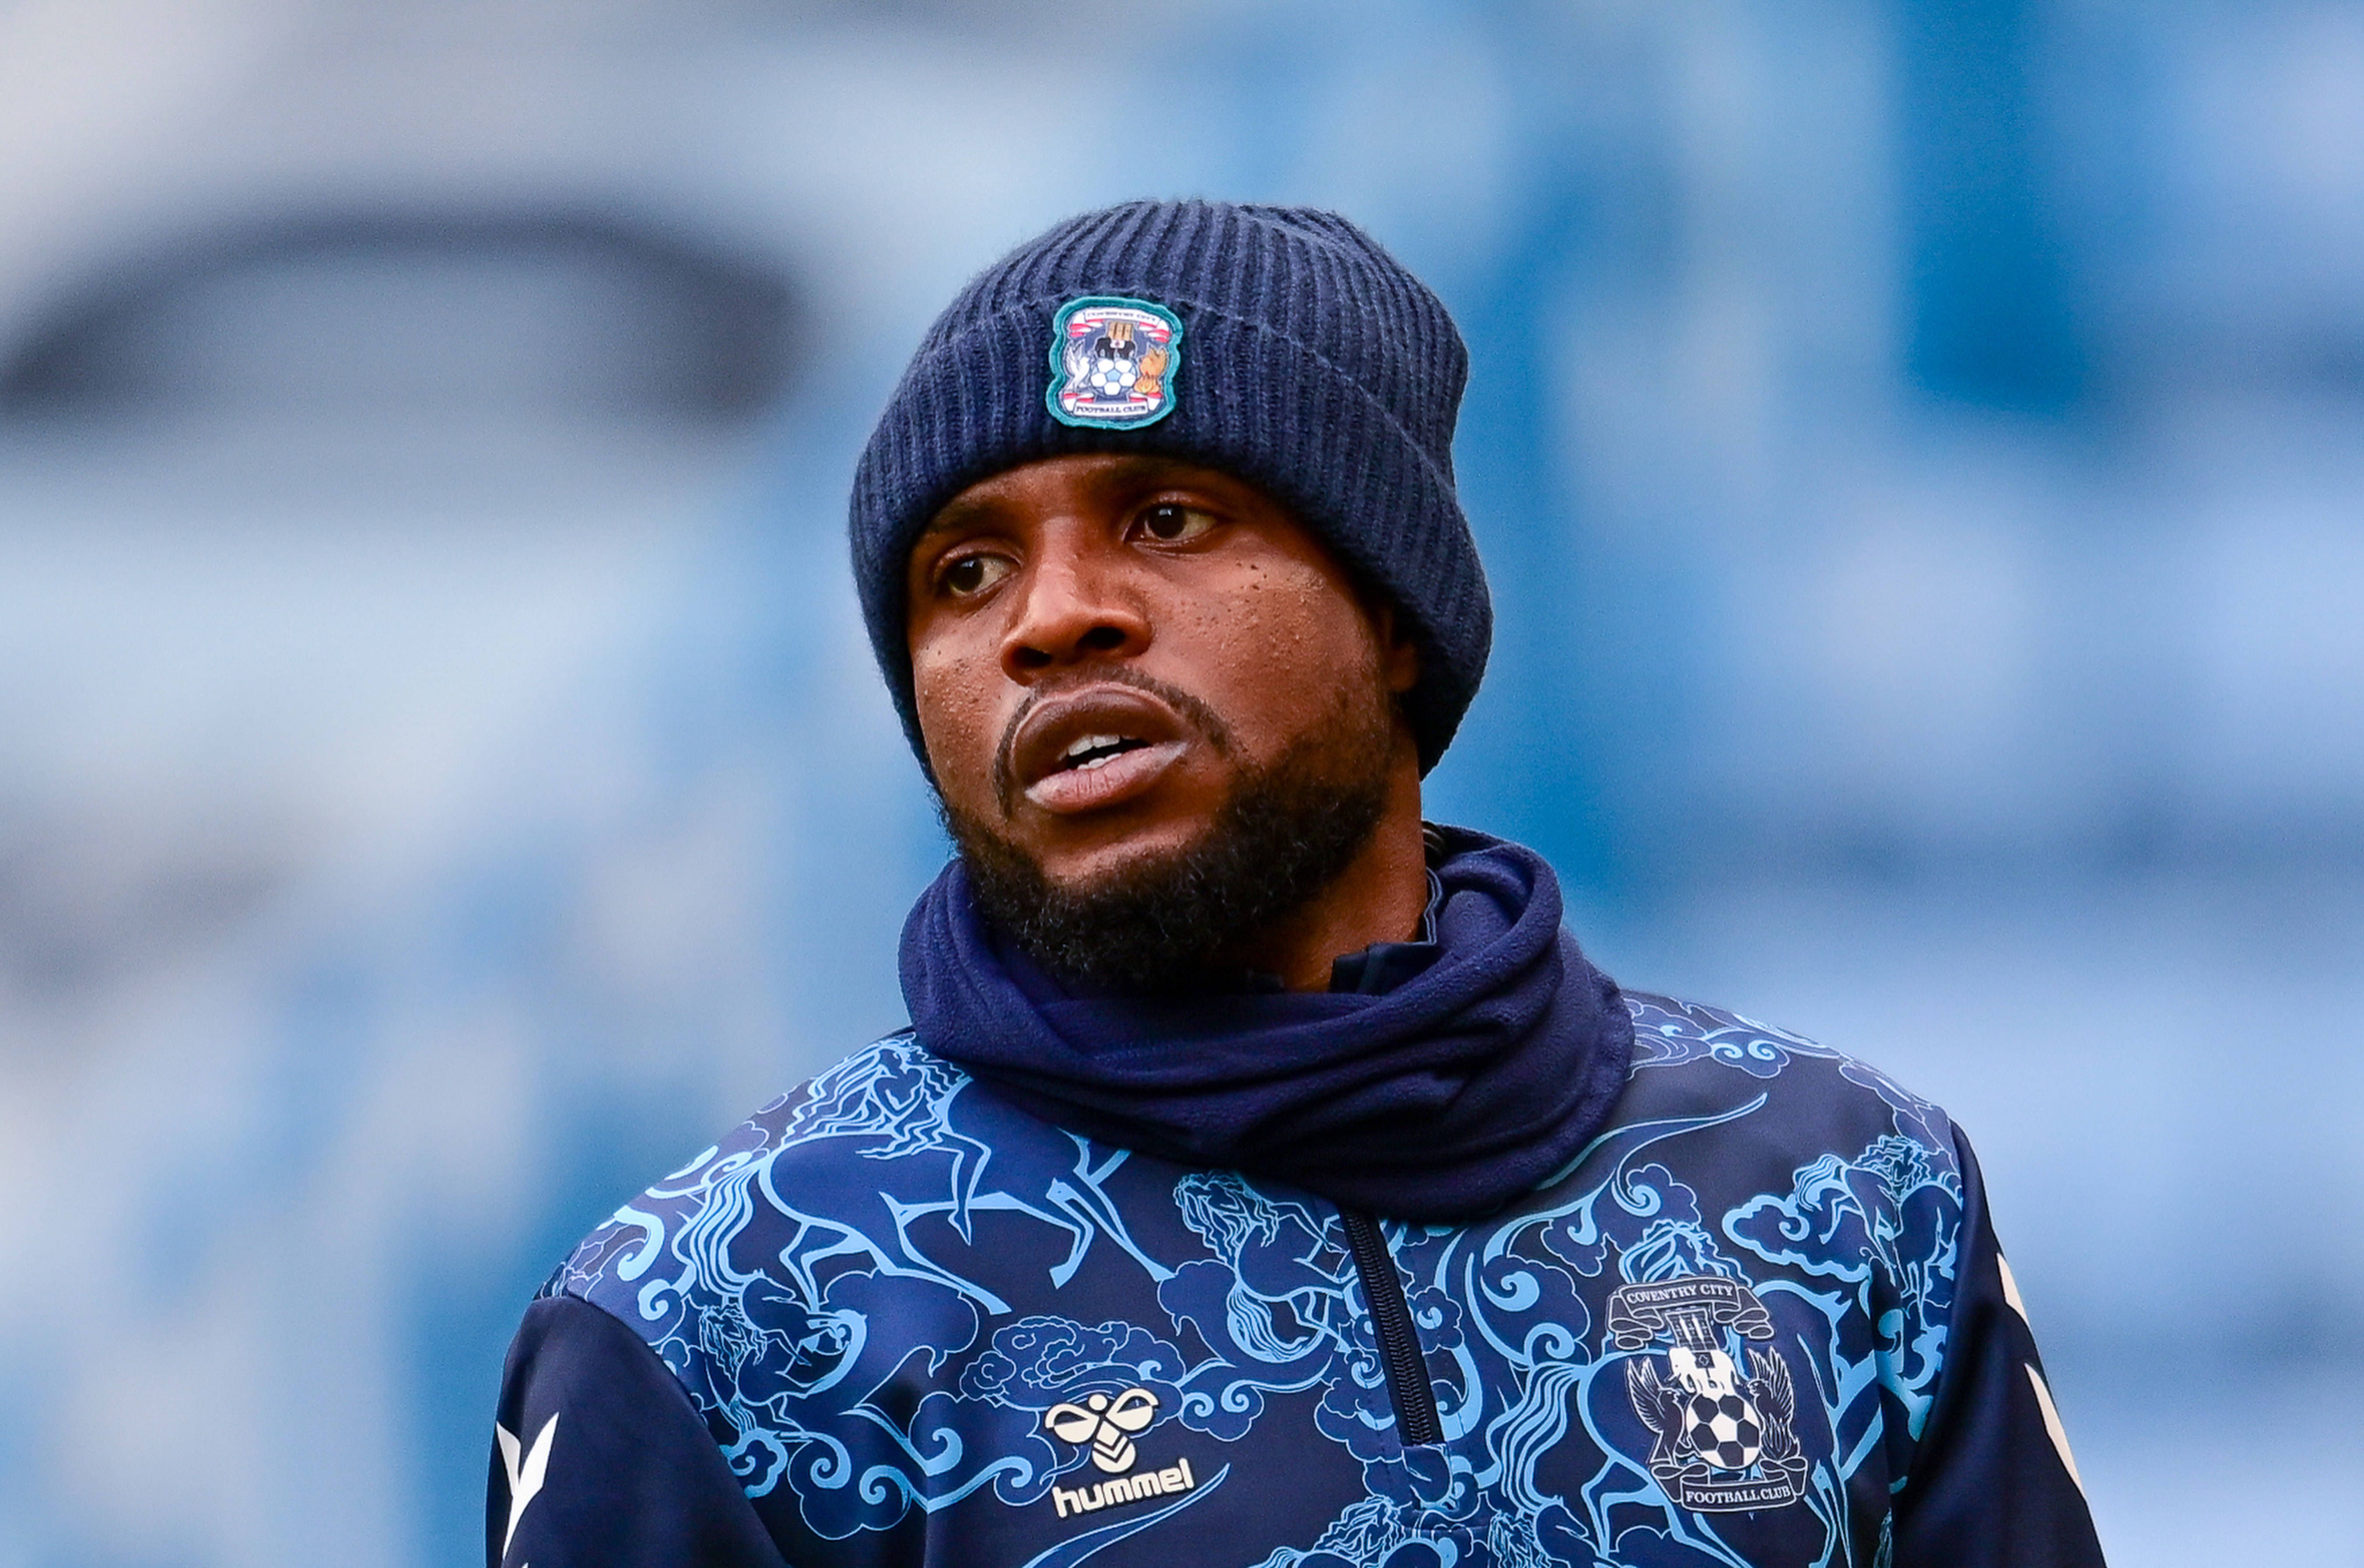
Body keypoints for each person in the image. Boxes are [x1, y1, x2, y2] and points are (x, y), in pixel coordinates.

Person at [488, 200, 2106, 1568]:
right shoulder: (724, 1314)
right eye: (963, 572)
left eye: (1170, 516)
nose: (1051, 620)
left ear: (1398, 615)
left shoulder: (1836, 1186)